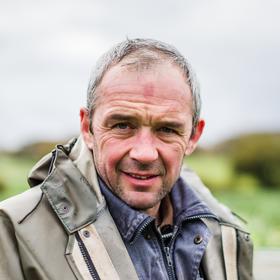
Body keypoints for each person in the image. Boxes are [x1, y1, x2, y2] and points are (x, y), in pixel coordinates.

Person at [0, 38, 253, 280]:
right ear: (88, 128)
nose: (144, 153)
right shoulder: (12, 233)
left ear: (193, 136)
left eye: (167, 129)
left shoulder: (227, 235)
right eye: (122, 125)